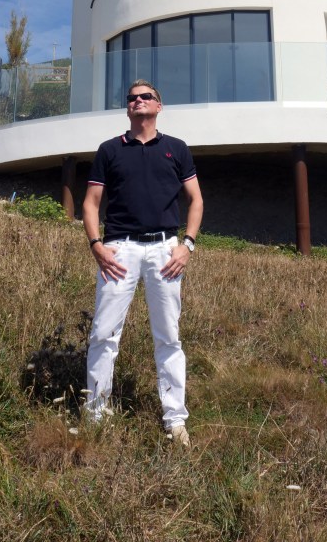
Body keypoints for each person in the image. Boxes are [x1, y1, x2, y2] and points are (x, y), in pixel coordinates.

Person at [82, 79, 203, 446]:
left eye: (145, 97)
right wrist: (96, 245)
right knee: (103, 334)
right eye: (132, 98)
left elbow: (195, 200)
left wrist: (187, 246)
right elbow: (90, 203)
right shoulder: (109, 150)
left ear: (158, 106)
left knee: (168, 336)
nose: (137, 101)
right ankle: (96, 415)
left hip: (164, 251)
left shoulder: (176, 149)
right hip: (118, 251)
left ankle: (174, 419)